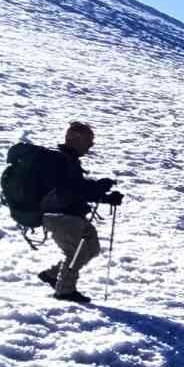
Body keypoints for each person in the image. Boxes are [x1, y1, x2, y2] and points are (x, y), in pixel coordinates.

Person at [34, 121, 123, 304]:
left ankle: (52, 276)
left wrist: (105, 197)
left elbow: (76, 191)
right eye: (89, 140)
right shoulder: (59, 160)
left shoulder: (68, 160)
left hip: (67, 214)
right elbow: (69, 188)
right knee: (75, 252)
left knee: (91, 248)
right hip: (60, 215)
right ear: (74, 139)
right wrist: (98, 187)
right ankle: (64, 291)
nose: (91, 145)